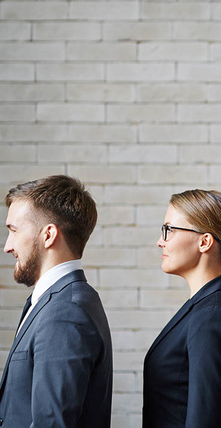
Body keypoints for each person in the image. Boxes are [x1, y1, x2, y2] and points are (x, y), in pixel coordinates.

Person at [0, 175, 113, 427]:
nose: (8, 246)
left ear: (48, 235)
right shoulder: (56, 302)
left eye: (14, 231)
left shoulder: (65, 311)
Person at [142, 189, 221, 428]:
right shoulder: (207, 305)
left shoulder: (213, 314)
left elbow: (205, 419)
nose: (160, 241)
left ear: (204, 241)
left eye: (169, 230)